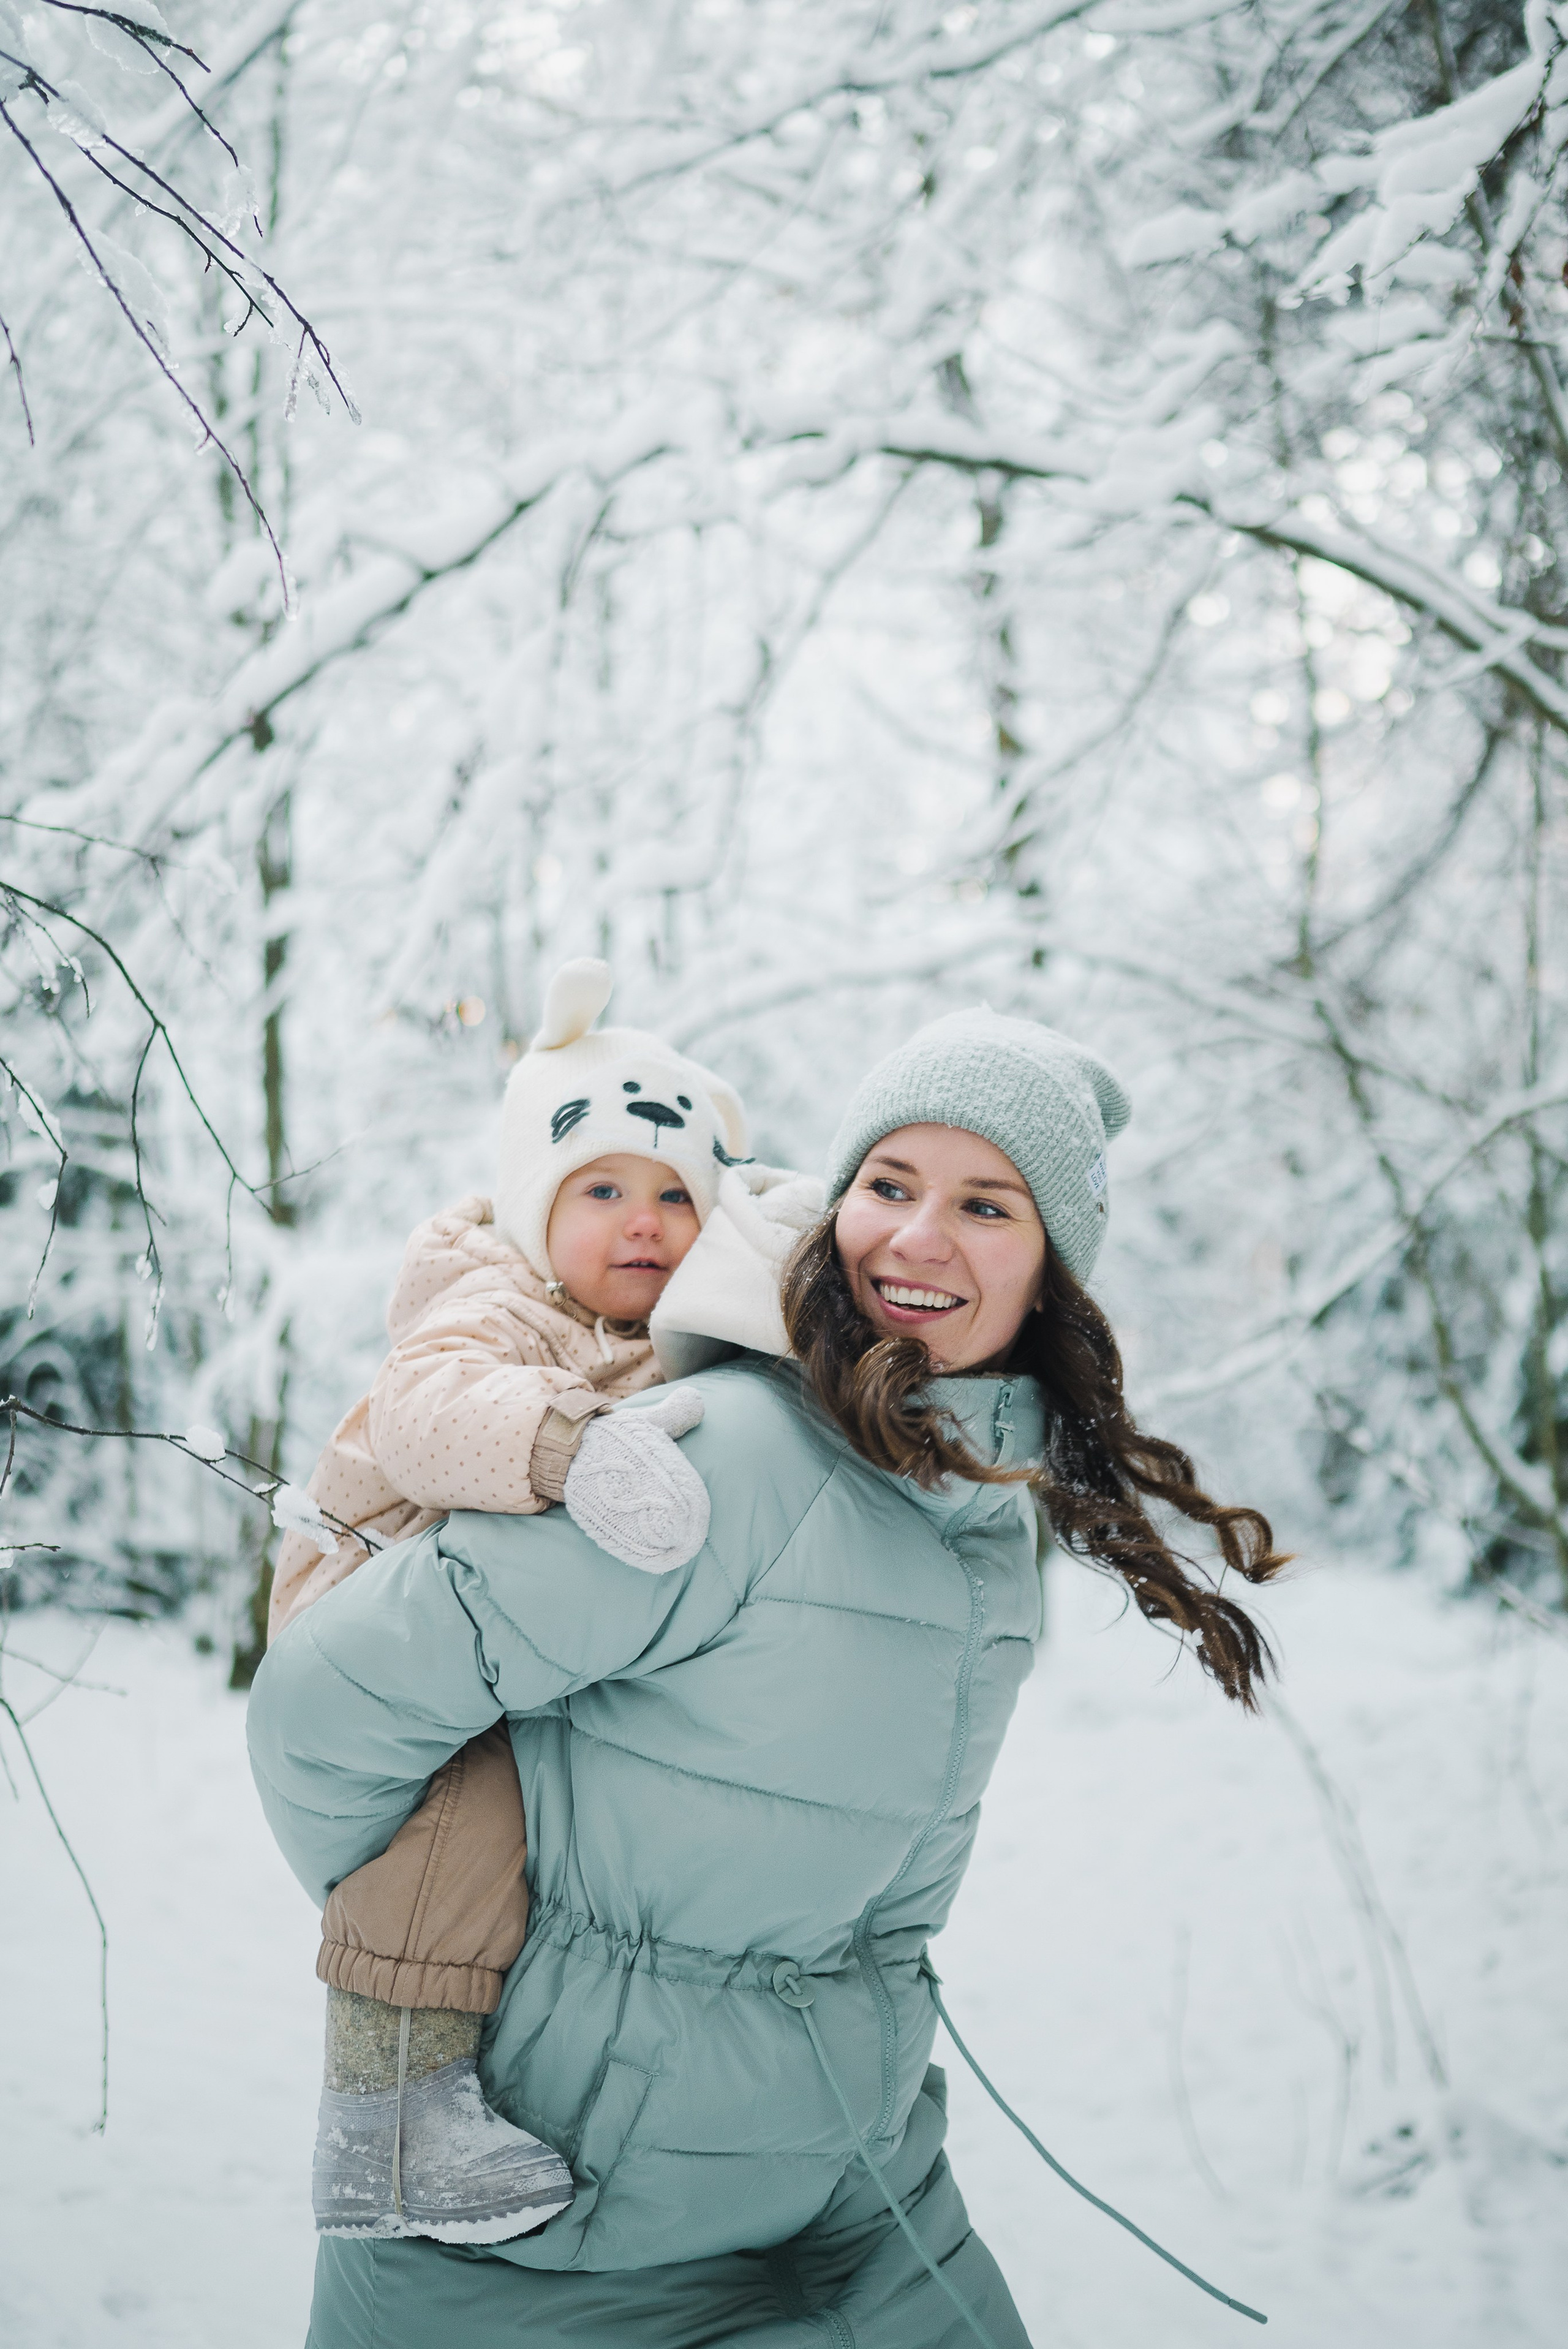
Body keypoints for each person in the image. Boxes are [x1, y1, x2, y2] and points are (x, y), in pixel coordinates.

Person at [249, 1004, 1284, 2347]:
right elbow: (320, 1720)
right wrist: (464, 1955)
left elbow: (882, 1901)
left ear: (1051, 1273)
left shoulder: (980, 1515)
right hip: (546, 2234)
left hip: (852, 2196)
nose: (916, 1238)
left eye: (984, 1206)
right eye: (887, 1185)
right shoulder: (720, 1456)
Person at [266, 956, 819, 2244]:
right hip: (376, 1603)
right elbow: (422, 1416)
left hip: (515, 1622)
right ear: (532, 1204)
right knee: (468, 1802)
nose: (645, 1221)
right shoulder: (495, 1298)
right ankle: (384, 2118)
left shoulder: (661, 1321)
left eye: (679, 1196)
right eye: (604, 1189)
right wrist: (570, 1445)